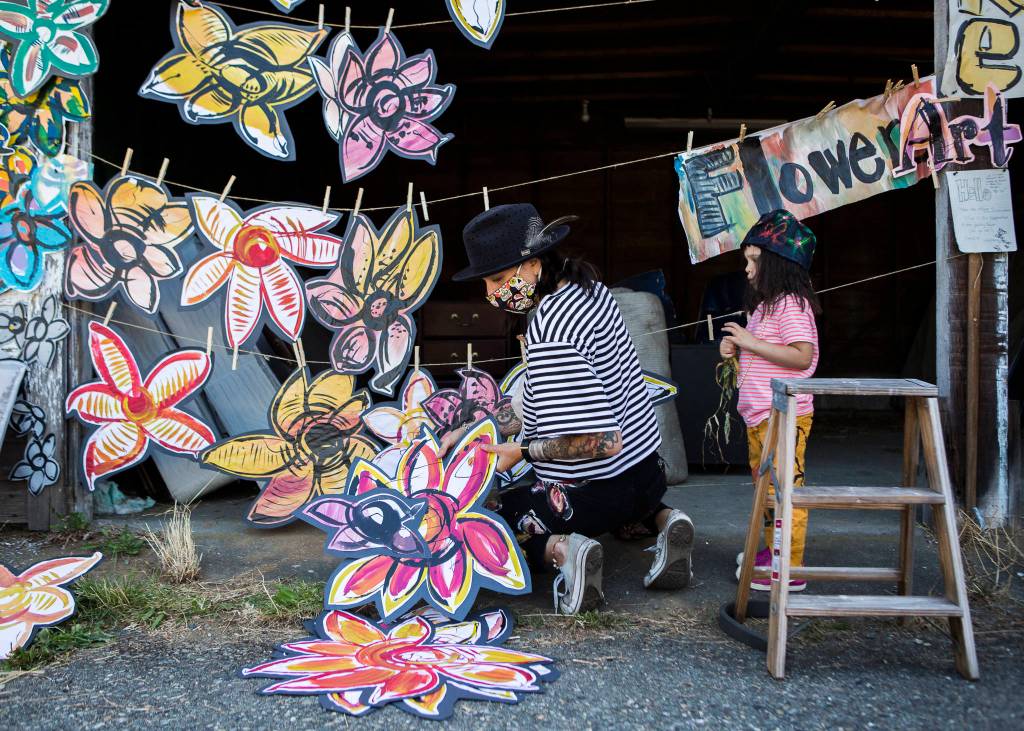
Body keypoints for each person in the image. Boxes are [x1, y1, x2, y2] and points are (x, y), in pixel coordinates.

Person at [443, 203, 695, 615]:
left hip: (593, 493)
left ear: (534, 265)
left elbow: (603, 442)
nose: (491, 294)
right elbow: (539, 400)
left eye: (499, 279)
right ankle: (665, 520)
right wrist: (480, 428)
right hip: (648, 475)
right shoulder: (590, 291)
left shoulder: (551, 330)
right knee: (625, 497)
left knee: (479, 523)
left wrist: (522, 453)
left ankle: (564, 552)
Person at [719, 209, 820, 593]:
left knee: (784, 490)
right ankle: (770, 552)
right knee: (765, 490)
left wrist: (750, 342)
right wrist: (735, 348)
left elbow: (801, 356)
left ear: (780, 264)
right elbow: (763, 353)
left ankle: (789, 565)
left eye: (754, 261)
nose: (746, 269)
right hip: (761, 416)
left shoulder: (792, 304)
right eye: (746, 260)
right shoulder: (764, 307)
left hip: (785, 416)